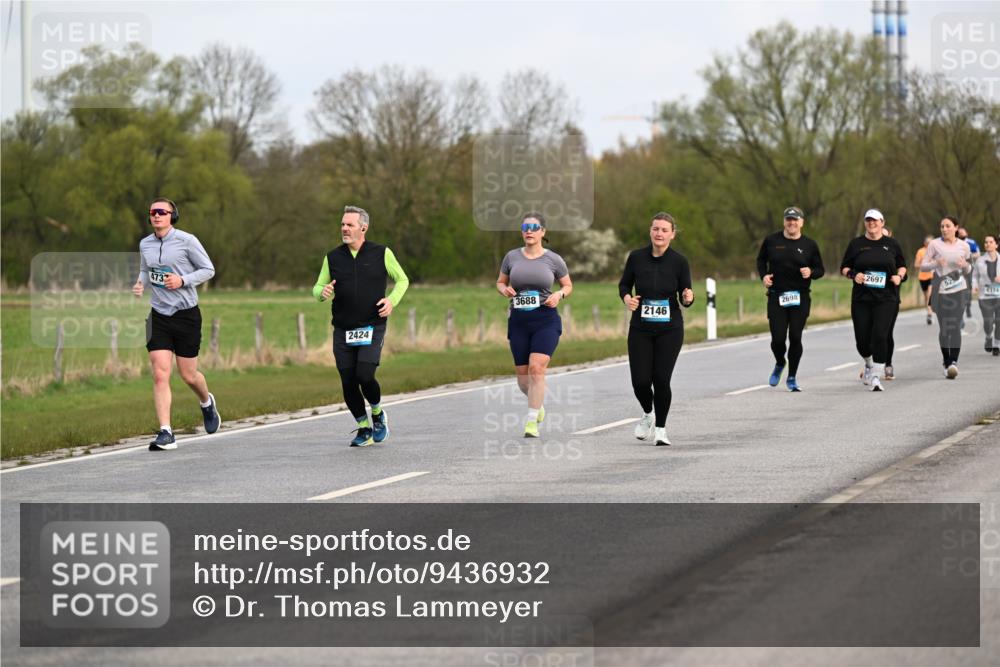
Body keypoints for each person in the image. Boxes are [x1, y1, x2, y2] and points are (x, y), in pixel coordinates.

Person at [313, 205, 409, 447]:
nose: (344, 228)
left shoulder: (381, 253)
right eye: (342, 224)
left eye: (350, 225)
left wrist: (392, 301)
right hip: (343, 328)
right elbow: (316, 288)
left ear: (363, 228)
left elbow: (402, 279)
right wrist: (322, 292)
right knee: (347, 380)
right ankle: (363, 427)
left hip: (371, 325)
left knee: (364, 374)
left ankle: (377, 413)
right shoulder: (332, 257)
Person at [133, 198, 220, 451]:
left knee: (188, 375)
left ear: (173, 216)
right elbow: (145, 270)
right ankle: (166, 432)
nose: (156, 216)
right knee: (160, 373)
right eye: (152, 212)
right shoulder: (145, 244)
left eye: (162, 212)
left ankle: (206, 402)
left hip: (186, 315)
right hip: (159, 315)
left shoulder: (187, 241)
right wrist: (141, 284)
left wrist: (182, 280)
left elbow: (208, 269)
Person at [619, 212, 695, 446]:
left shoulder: (679, 262)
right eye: (655, 229)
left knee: (661, 379)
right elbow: (624, 284)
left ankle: (661, 429)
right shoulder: (636, 257)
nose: (659, 233)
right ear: (650, 231)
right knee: (640, 381)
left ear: (672, 234)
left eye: (664, 230)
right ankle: (648, 413)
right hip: (640, 328)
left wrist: (688, 297)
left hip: (670, 329)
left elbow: (686, 295)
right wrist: (627, 299)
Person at [496, 212, 572, 438]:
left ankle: (531, 423)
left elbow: (568, 285)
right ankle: (537, 404)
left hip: (545, 319)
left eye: (534, 227)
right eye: (525, 227)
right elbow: (500, 282)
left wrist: (559, 295)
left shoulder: (553, 259)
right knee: (523, 379)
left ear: (543, 232)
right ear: (522, 231)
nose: (529, 230)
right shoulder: (511, 257)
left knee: (537, 369)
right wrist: (504, 290)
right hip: (519, 320)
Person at [755, 206, 825, 391]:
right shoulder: (771, 240)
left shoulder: (810, 245)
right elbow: (761, 260)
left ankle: (792, 376)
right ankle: (780, 362)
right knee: (777, 339)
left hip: (799, 297)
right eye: (788, 219)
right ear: (784, 221)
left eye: (795, 220)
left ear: (801, 222)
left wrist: (811, 271)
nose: (791, 223)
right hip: (777, 296)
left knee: (795, 336)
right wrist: (764, 276)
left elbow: (820, 270)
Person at [840, 209, 907, 392]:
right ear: (865, 223)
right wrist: (854, 275)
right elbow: (844, 267)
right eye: (868, 221)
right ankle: (868, 363)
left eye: (875, 221)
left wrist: (899, 277)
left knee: (880, 335)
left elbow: (902, 266)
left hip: (886, 298)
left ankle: (876, 375)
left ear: (882, 223)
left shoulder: (892, 244)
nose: (872, 224)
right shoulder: (856, 244)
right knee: (862, 340)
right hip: (862, 298)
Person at [920, 216, 973, 378]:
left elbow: (969, 269)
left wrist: (965, 266)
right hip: (941, 291)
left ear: (956, 227)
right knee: (944, 328)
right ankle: (946, 361)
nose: (944, 229)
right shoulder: (934, 245)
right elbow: (923, 265)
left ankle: (953, 362)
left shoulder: (964, 246)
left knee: (955, 326)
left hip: (959, 290)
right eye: (942, 226)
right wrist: (937, 264)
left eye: (948, 226)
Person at [972, 234, 1000, 356]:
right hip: (985, 296)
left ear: (996, 244)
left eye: (990, 242)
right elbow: (974, 276)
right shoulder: (979, 261)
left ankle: (996, 344)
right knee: (988, 321)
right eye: (986, 242)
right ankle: (989, 336)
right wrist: (974, 286)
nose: (987, 244)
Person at [882, 226, 899, 380]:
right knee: (870, 333)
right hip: (870, 298)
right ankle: (871, 365)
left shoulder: (894, 249)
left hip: (890, 298)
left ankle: (888, 364)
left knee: (886, 333)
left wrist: (898, 277)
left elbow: (903, 270)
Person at [957, 227, 980, 319]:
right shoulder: (954, 243)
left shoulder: (971, 242)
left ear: (966, 233)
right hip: (957, 270)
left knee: (968, 289)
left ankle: (968, 306)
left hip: (969, 269)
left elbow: (977, 254)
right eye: (960, 233)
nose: (961, 234)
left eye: (963, 232)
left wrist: (967, 255)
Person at [914, 235, 935, 325]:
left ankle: (929, 314)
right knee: (926, 297)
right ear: (925, 243)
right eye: (928, 242)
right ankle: (928, 311)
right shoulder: (920, 251)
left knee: (930, 295)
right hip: (922, 277)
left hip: (932, 276)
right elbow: (916, 265)